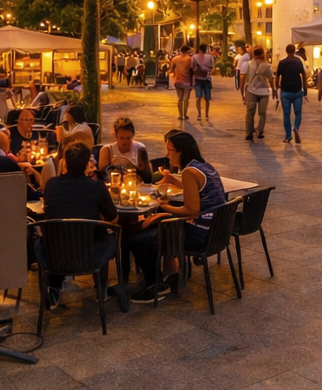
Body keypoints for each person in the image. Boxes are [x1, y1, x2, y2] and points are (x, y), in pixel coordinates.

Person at [127, 130, 227, 303]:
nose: (167, 155)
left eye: (170, 150)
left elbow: (192, 210)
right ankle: (163, 277)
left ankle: (155, 285)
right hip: (217, 232)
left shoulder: (189, 171)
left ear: (181, 151)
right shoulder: (204, 167)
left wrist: (163, 205)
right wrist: (173, 181)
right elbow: (195, 190)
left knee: (139, 238)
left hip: (200, 235)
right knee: (155, 225)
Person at [36, 144, 119, 309]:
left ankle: (54, 286)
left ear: (65, 163)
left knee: (57, 235)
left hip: (55, 255)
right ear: (88, 163)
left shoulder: (51, 185)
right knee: (108, 235)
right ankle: (101, 289)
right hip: (89, 255)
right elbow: (114, 219)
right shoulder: (96, 186)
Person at [99, 117, 153, 182]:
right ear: (116, 136)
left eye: (128, 138)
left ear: (133, 136)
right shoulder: (107, 150)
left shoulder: (139, 148)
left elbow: (148, 178)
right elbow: (102, 177)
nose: (125, 142)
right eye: (121, 138)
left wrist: (137, 169)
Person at [241, 46, 276, 141]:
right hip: (264, 92)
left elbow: (242, 79)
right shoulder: (267, 65)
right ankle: (260, 130)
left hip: (250, 91)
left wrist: (242, 92)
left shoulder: (247, 64)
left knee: (250, 112)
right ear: (262, 54)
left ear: (253, 54)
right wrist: (274, 90)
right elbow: (271, 79)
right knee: (262, 113)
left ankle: (249, 132)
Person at [275, 44, 308, 144]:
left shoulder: (282, 62)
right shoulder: (298, 61)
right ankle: (296, 127)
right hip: (297, 91)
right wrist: (305, 86)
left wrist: (277, 87)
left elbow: (277, 76)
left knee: (286, 114)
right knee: (298, 113)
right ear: (294, 51)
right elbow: (303, 74)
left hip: (285, 91)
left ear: (286, 51)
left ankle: (288, 136)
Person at [169, 45, 194, 122]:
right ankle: (185, 114)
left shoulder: (175, 59)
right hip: (187, 80)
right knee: (185, 98)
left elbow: (170, 70)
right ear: (187, 51)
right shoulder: (190, 59)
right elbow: (193, 70)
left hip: (178, 80)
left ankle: (180, 115)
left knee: (180, 98)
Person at [191, 44, 215, 121]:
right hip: (207, 79)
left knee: (198, 97)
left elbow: (192, 67)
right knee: (207, 98)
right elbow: (211, 67)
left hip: (197, 79)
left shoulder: (194, 57)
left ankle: (199, 115)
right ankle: (207, 115)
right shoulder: (209, 57)